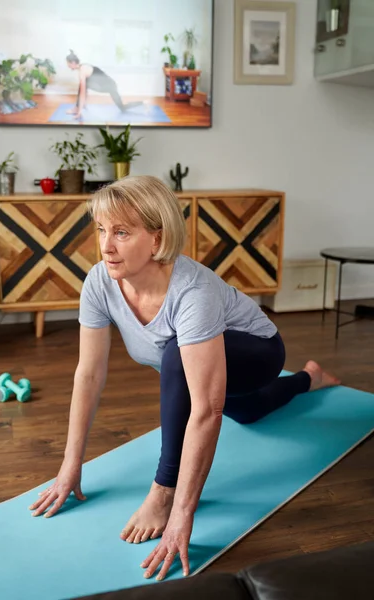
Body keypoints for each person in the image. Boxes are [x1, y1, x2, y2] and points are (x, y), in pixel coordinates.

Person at [28, 175, 340, 581]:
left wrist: (179, 513)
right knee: (246, 411)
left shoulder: (192, 292)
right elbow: (88, 375)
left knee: (180, 359)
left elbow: (207, 411)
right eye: (102, 230)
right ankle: (308, 379)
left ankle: (162, 489)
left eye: (122, 232)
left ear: (156, 240)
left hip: (258, 351)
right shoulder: (99, 282)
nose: (106, 245)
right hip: (203, 360)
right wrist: (70, 465)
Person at [65, 50, 143, 118]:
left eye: (68, 64)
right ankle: (77, 107)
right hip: (107, 85)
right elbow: (84, 91)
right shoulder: (84, 67)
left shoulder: (83, 71)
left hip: (109, 86)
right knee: (83, 85)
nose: (68, 66)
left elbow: (82, 93)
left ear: (73, 62)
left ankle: (142, 103)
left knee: (122, 108)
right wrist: (82, 105)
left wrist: (79, 112)